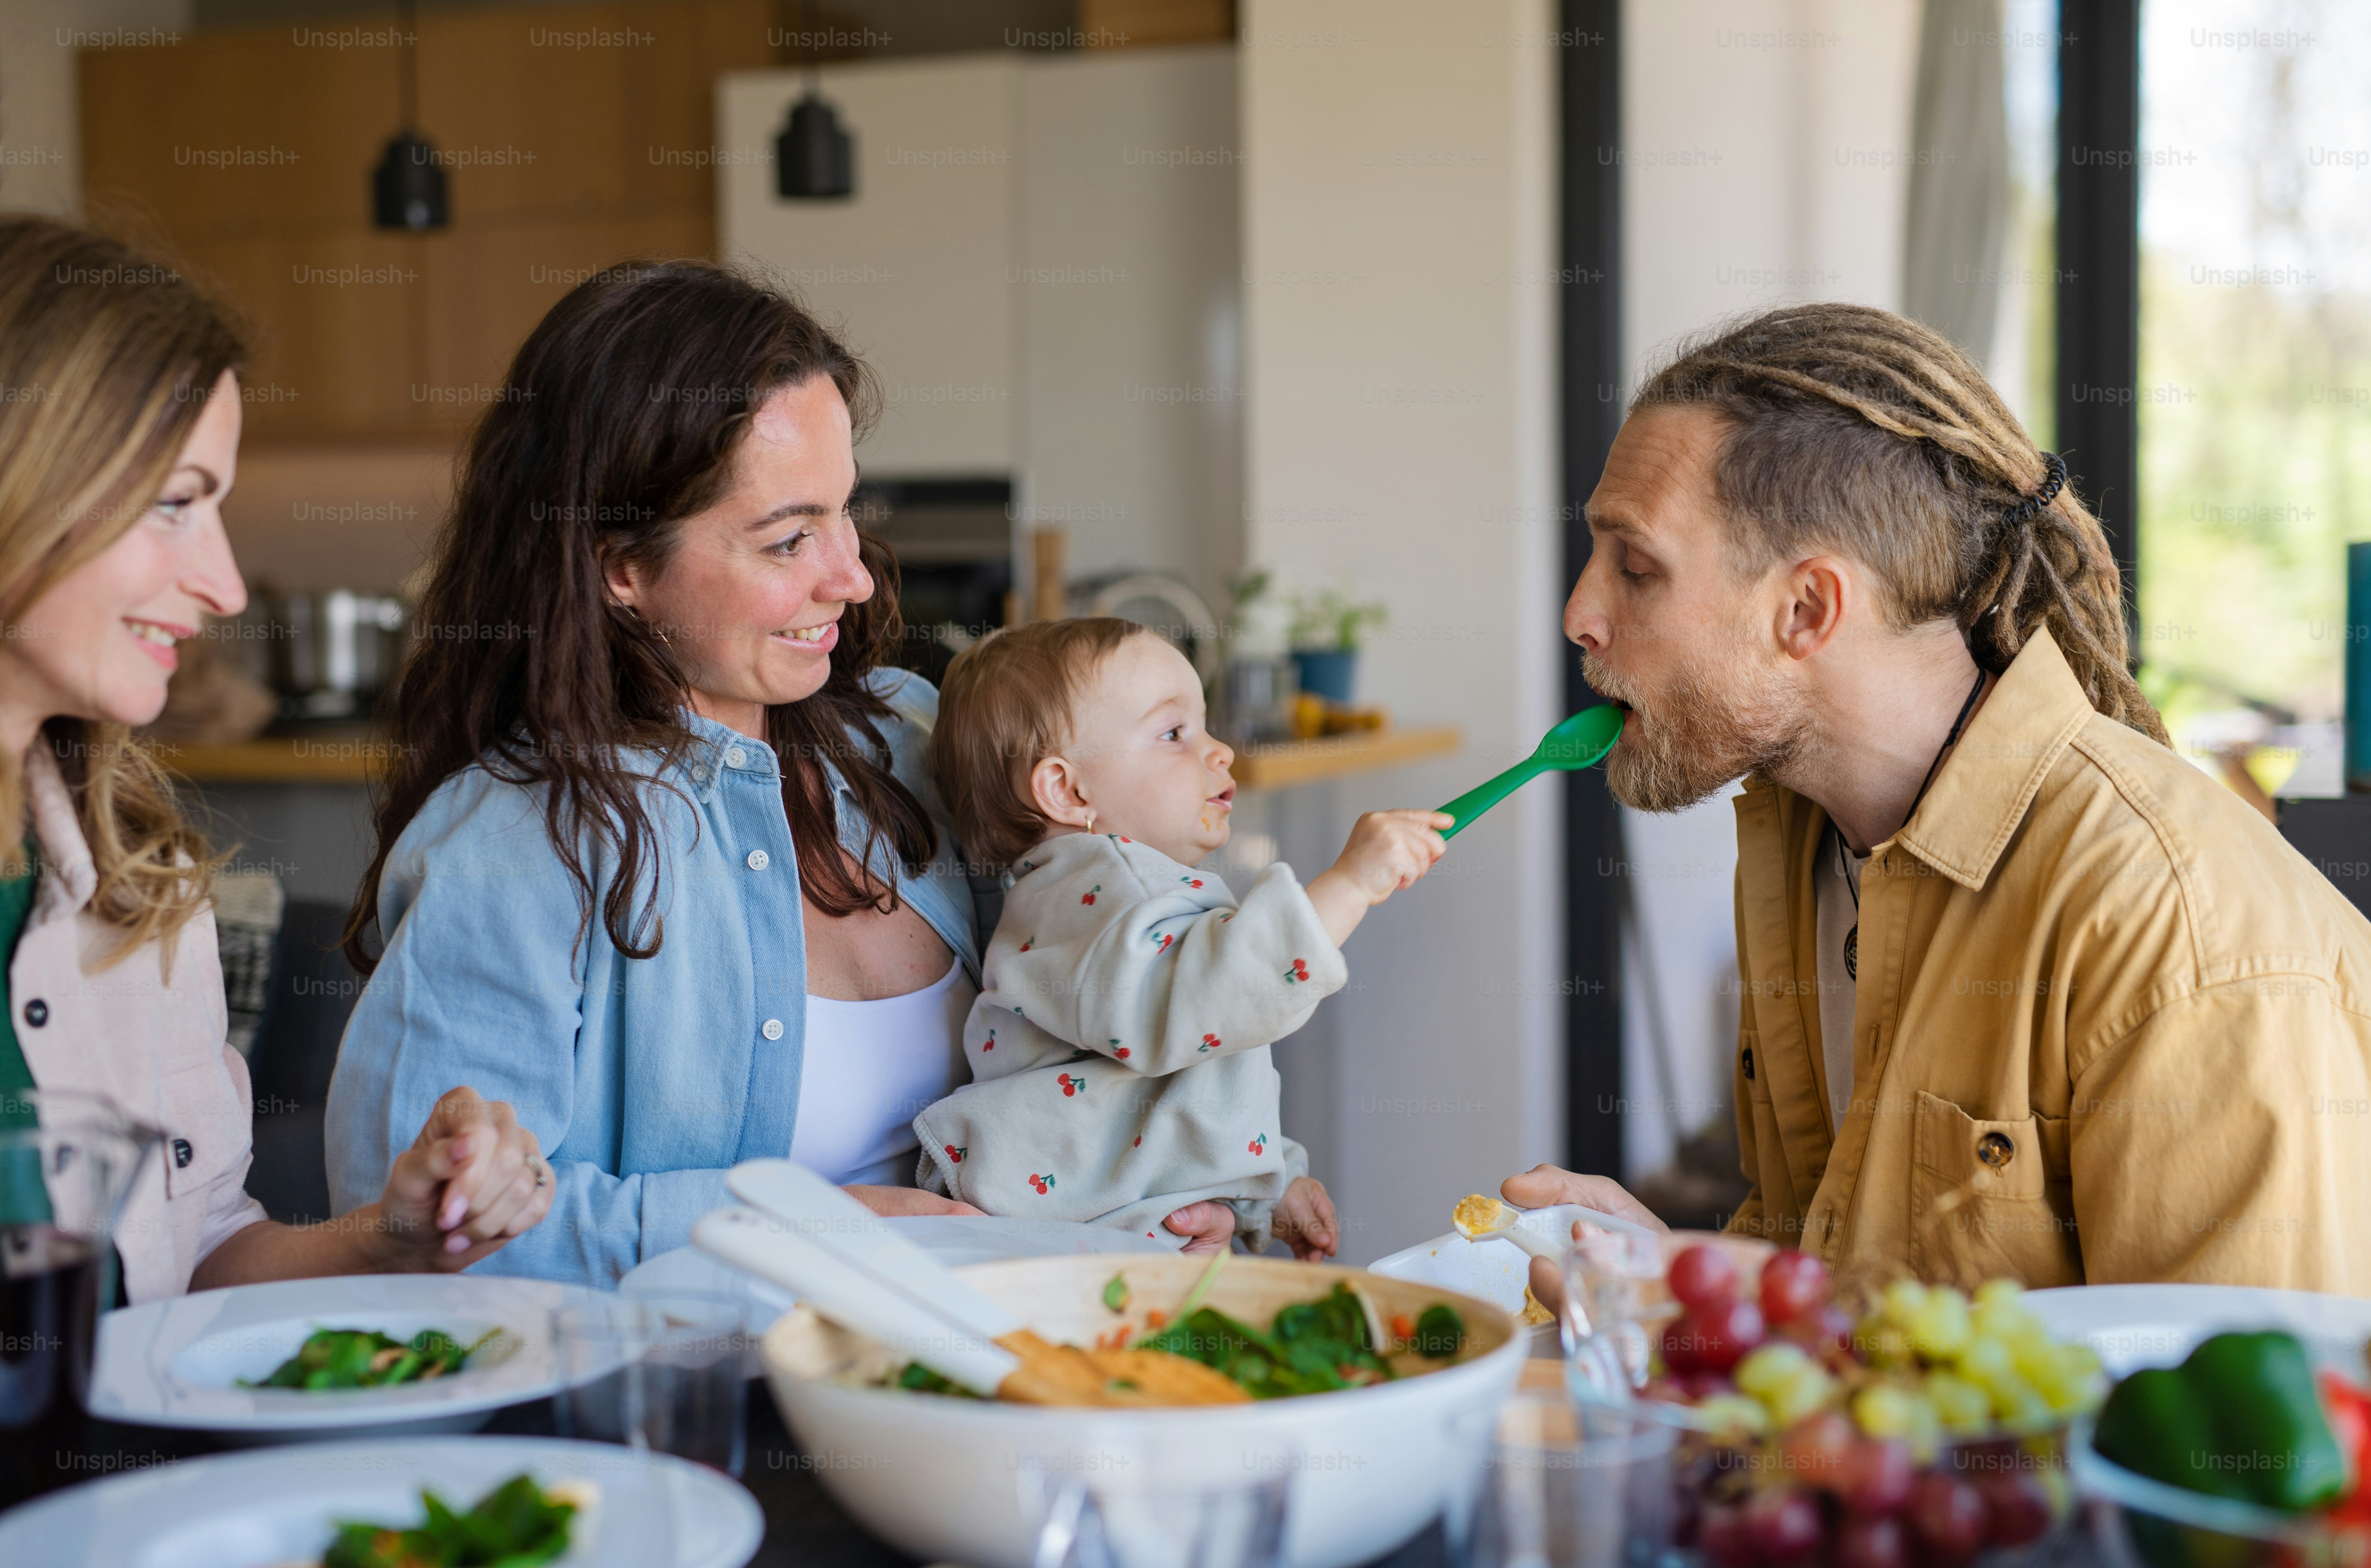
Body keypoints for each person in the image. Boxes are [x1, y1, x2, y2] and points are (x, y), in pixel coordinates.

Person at [324, 263, 1241, 1287]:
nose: (850, 575)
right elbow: (410, 1249)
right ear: (619, 566)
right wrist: (801, 1228)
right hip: (706, 1416)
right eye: (789, 537)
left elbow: (1096, 1000)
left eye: (845, 513)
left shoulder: (907, 736)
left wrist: (1158, 1192)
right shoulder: (508, 848)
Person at [1516, 301, 2371, 1300]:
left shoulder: (2176, 931)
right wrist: (1693, 1281)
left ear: (1807, 610)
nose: (1580, 614)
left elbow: (2235, 1439)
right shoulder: (1799, 840)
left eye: (1636, 566)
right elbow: (1854, 1288)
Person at [0, 217, 552, 1302]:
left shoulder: (141, 886)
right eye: (175, 503)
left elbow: (196, 1250)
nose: (226, 585)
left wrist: (390, 1235)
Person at [911, 617, 1449, 1257]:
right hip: (1057, 1248)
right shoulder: (1094, 892)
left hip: (1092, 1235)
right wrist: (1351, 884)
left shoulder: (1110, 894)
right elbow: (1209, 999)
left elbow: (1172, 1084)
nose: (1218, 751)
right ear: (1067, 789)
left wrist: (1270, 1186)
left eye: (1204, 724)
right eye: (1174, 734)